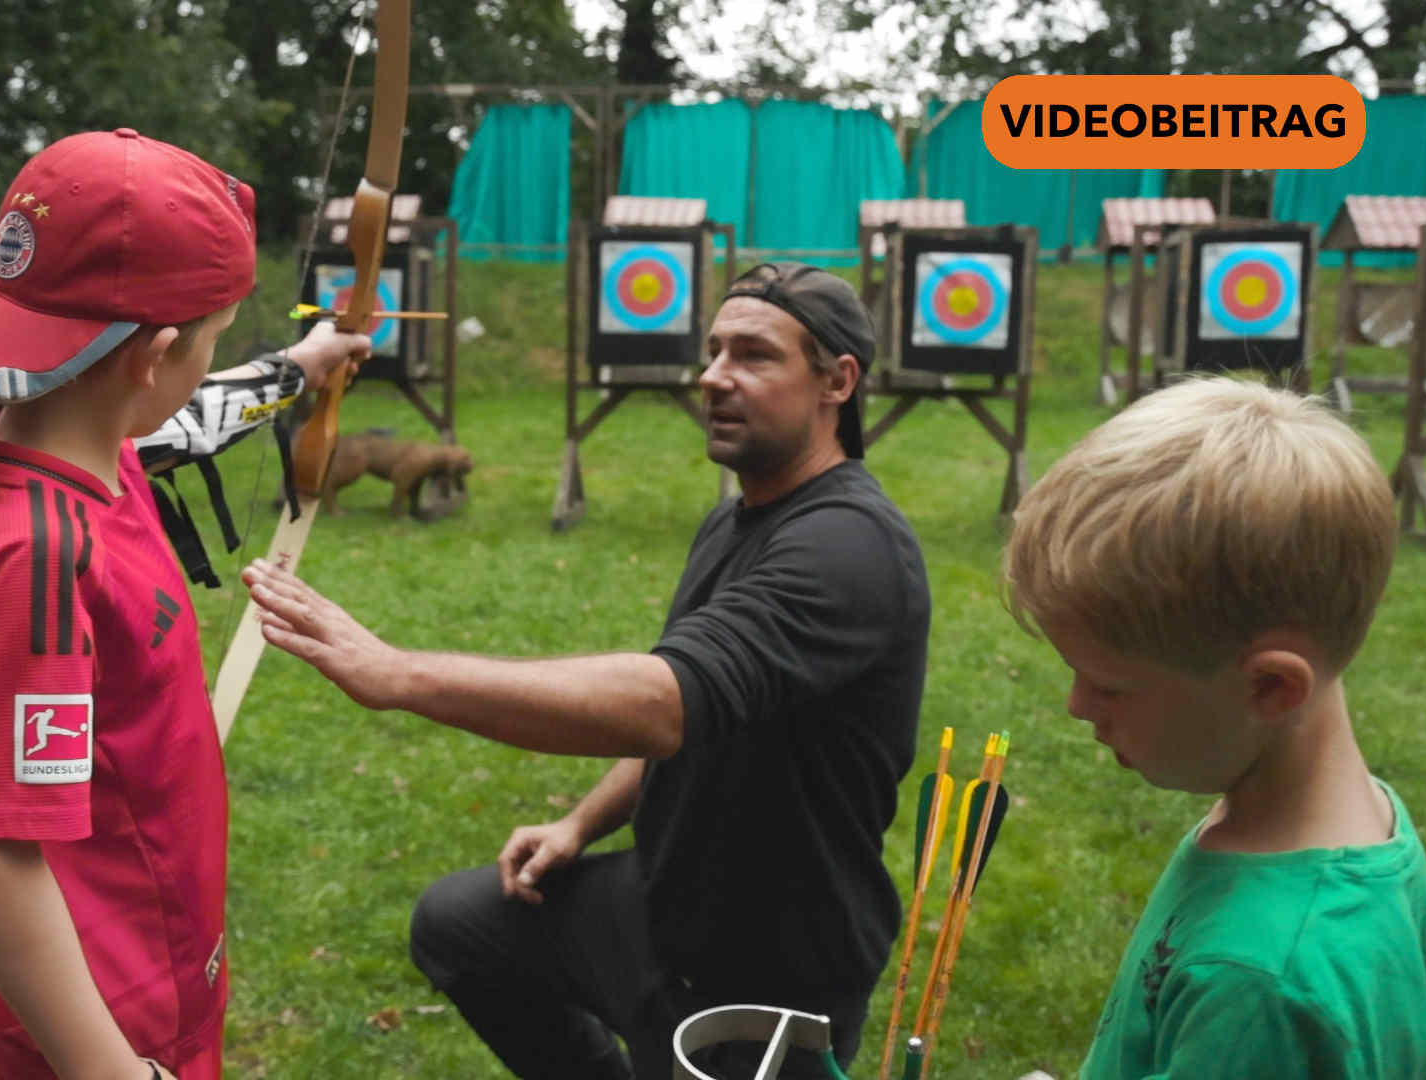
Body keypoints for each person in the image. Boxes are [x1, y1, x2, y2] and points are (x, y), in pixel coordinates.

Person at [242, 261, 931, 1078]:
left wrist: (399, 675)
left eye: (754, 355)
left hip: (770, 971)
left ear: (837, 382)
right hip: (661, 907)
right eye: (714, 350)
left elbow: (664, 704)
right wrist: (579, 824)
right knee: (460, 925)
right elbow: (701, 714)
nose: (714, 376)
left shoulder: (849, 548)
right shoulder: (735, 520)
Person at [0, 128, 369, 1080]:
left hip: (151, 953)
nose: (207, 363)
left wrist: (298, 366)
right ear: (153, 356)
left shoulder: (64, 437)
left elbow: (181, 418)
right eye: (211, 340)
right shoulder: (40, 553)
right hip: (110, 1009)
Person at [1000, 376, 1426, 1078]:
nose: (1077, 706)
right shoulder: (1360, 824)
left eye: (1108, 684)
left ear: (1270, 687)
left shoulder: (1262, 987)